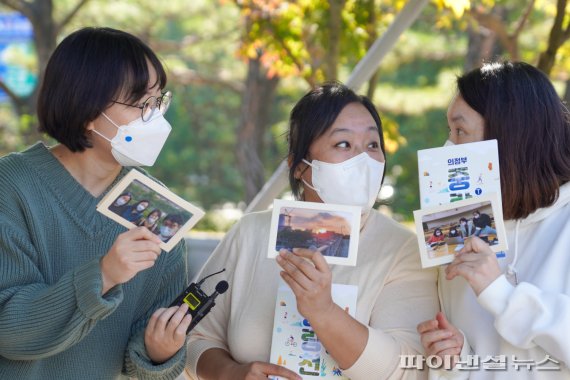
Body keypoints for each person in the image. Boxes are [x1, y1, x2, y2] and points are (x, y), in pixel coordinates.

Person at [186, 82, 439, 380]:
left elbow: (410, 369)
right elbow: (193, 336)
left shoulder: (402, 248)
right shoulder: (252, 233)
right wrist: (231, 373)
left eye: (372, 145)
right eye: (343, 144)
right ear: (299, 166)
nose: (363, 160)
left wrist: (324, 312)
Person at [0, 27, 192, 379]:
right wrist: (104, 275)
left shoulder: (159, 211)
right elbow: (8, 331)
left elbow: (140, 363)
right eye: (141, 105)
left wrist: (160, 351)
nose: (156, 119)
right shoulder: (11, 186)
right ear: (87, 108)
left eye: (158, 102)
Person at [417, 61, 570, 379]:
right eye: (449, 132)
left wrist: (499, 293)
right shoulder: (456, 230)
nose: (449, 148)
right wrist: (457, 360)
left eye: (461, 131)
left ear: (510, 134)